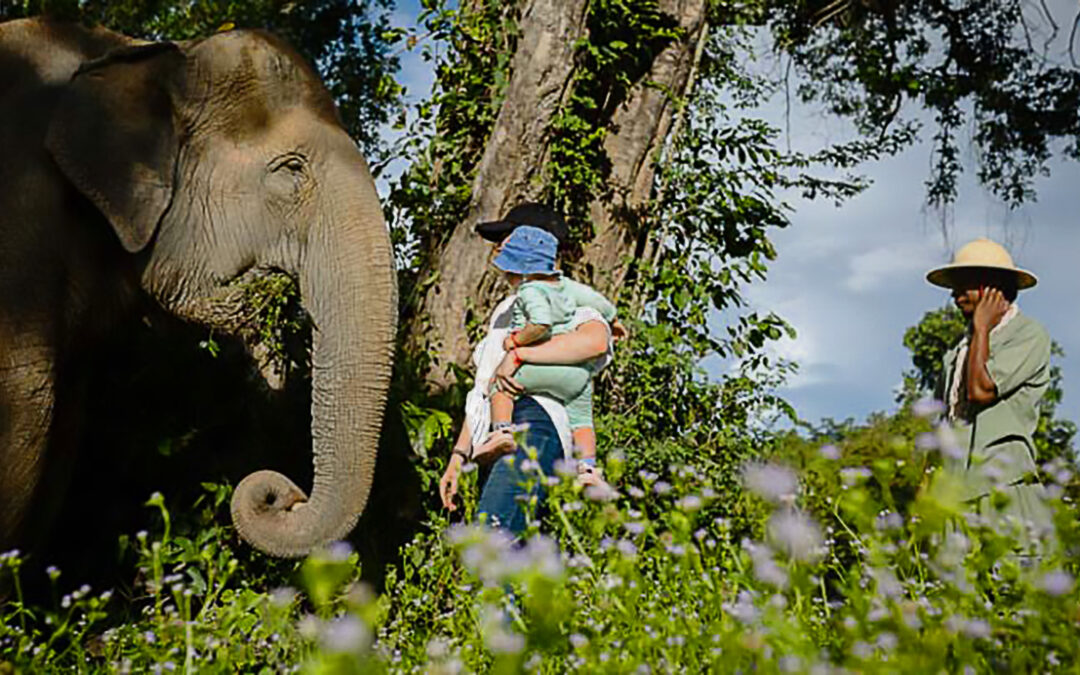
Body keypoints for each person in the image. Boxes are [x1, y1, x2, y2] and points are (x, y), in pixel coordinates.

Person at [438, 203, 621, 533]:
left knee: (492, 539)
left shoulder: (565, 297)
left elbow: (594, 342)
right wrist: (458, 456)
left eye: (506, 240)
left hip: (538, 421)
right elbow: (483, 390)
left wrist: (521, 355)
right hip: (500, 432)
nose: (498, 249)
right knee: (511, 547)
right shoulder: (506, 310)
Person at [927, 237, 1054, 548]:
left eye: (962, 286)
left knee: (1009, 587)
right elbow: (939, 430)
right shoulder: (957, 353)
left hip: (1002, 489)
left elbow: (982, 390)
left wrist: (982, 327)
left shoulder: (1028, 335)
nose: (954, 296)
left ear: (990, 288)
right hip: (954, 495)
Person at [472, 225, 618, 465]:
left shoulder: (529, 291)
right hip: (576, 376)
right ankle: (588, 469)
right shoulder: (567, 287)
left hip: (537, 370)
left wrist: (517, 344)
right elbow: (597, 301)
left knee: (498, 387)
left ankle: (501, 433)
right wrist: (614, 320)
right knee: (581, 421)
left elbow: (540, 323)